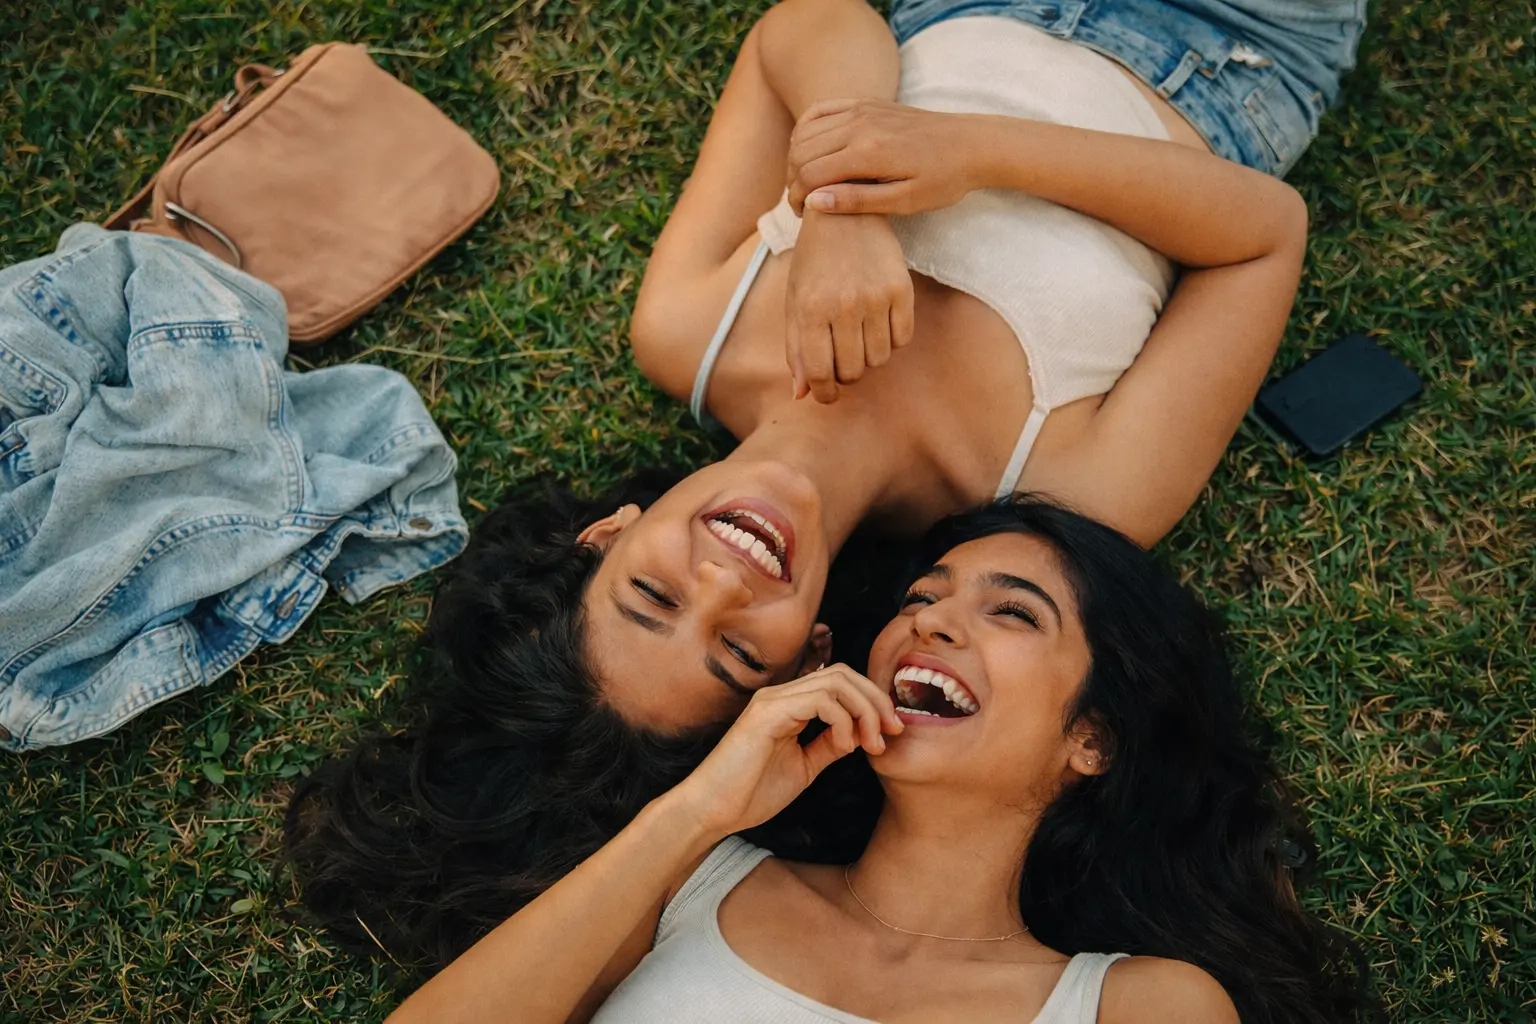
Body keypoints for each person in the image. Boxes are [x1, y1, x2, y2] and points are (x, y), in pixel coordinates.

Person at [285, 0, 1367, 966]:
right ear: (808, 654)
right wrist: (967, 154)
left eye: (653, 596)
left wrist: (853, 213)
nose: (726, 581)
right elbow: (1264, 235)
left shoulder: (687, 332)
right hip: (1232, 47)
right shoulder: (1061, 497)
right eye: (737, 648)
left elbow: (802, 29)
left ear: (605, 534)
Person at [384, 498, 1373, 1024]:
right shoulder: (691, 878)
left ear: (1094, 739)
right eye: (922, 597)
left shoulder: (1139, 1006)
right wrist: (695, 810)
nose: (931, 619)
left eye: (1011, 612)